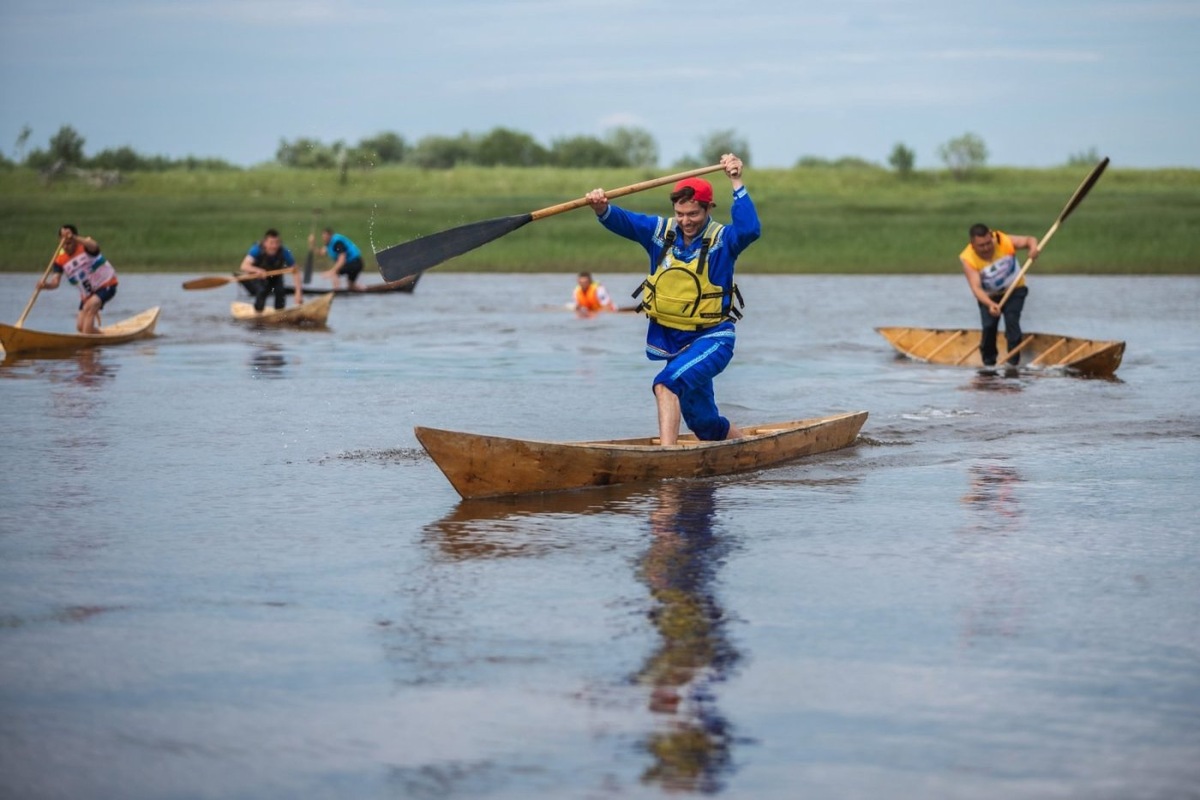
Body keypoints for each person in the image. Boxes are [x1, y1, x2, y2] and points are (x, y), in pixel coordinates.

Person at [584, 154, 760, 446]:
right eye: (680, 213)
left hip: (713, 338)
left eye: (693, 214)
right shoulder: (659, 233)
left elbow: (750, 229)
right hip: (675, 343)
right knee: (704, 424)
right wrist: (601, 207)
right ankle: (747, 449)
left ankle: (668, 455)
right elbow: (623, 221)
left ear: (708, 208)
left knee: (665, 384)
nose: (685, 221)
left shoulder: (724, 240)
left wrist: (736, 181)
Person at [959, 223, 1040, 367]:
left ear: (991, 237)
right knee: (989, 327)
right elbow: (976, 288)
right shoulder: (968, 259)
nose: (986, 248)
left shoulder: (1003, 241)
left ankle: (1013, 363)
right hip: (988, 296)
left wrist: (1034, 249)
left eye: (988, 243)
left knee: (1012, 321)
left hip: (1014, 289)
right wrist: (990, 304)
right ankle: (989, 364)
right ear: (973, 245)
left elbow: (1030, 240)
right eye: (981, 246)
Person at [37, 224, 118, 334]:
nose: (66, 246)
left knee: (89, 308)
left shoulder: (85, 246)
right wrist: (45, 285)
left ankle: (88, 342)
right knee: (80, 326)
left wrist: (74, 237)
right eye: (64, 243)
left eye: (69, 243)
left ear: (75, 239)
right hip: (88, 293)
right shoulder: (59, 259)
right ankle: (102, 337)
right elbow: (55, 282)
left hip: (106, 284)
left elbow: (95, 246)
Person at [240, 228, 301, 312]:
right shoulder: (256, 250)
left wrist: (298, 293)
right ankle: (258, 313)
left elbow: (295, 271)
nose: (274, 246)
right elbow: (244, 266)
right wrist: (258, 270)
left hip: (276, 276)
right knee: (262, 291)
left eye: (277, 243)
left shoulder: (284, 252)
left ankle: (279, 313)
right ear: (265, 243)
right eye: (271, 243)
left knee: (280, 292)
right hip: (259, 277)